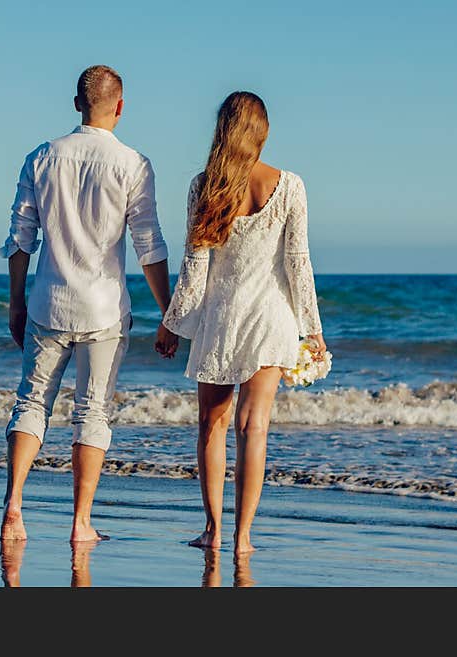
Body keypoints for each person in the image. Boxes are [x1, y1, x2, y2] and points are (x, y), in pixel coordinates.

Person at [0, 65, 176, 543]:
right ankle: (80, 524)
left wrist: (16, 304)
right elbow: (149, 246)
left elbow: (20, 240)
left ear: (77, 103)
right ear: (120, 107)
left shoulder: (41, 157)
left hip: (47, 303)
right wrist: (169, 314)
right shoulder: (133, 164)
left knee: (31, 402)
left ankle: (14, 505)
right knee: (92, 412)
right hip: (102, 308)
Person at [158, 91, 326, 555]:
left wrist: (172, 324)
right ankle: (243, 538)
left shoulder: (204, 186)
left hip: (221, 320)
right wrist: (312, 329)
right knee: (255, 429)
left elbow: (194, 270)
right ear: (263, 132)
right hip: (272, 319)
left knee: (211, 425)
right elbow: (298, 263)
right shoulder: (290, 185)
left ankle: (212, 530)